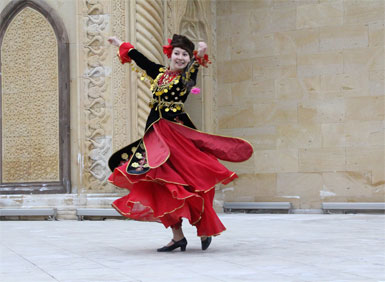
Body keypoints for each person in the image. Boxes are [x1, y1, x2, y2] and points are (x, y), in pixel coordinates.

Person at [107, 34, 253, 252]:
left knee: (191, 179)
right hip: (156, 134)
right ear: (170, 54)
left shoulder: (185, 77)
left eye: (185, 54)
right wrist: (121, 45)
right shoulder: (158, 73)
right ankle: (178, 237)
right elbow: (140, 59)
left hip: (176, 134)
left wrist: (200, 53)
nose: (181, 58)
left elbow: (193, 71)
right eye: (177, 53)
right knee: (161, 184)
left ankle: (204, 226)